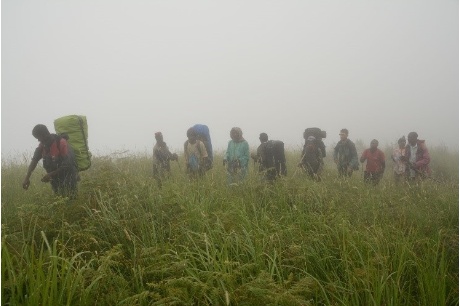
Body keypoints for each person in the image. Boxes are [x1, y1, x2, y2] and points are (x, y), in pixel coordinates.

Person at [22, 124, 78, 198]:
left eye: (38, 137)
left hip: (70, 179)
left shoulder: (61, 143)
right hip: (55, 181)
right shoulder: (42, 146)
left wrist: (50, 175)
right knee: (59, 202)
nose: (38, 140)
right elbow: (34, 161)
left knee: (71, 200)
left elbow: (68, 164)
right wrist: (27, 178)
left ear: (44, 134)